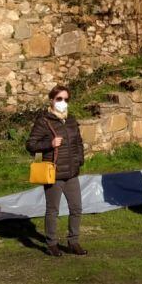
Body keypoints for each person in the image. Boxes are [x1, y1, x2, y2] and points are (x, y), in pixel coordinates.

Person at [27, 85, 87, 257]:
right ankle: (51, 244)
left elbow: (79, 143)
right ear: (51, 100)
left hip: (72, 172)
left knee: (76, 208)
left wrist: (79, 161)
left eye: (66, 99)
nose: (63, 102)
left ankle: (73, 241)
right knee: (53, 210)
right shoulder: (44, 121)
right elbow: (30, 144)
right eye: (59, 99)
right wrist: (50, 144)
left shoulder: (71, 120)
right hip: (54, 172)